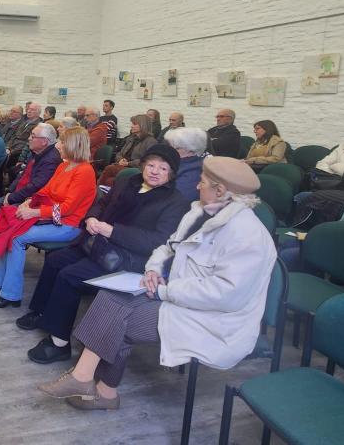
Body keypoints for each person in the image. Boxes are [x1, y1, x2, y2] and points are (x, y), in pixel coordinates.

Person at [37, 157, 275, 411]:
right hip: (179, 295)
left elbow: (225, 295)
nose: (196, 186)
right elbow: (168, 246)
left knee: (119, 320)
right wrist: (153, 270)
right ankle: (88, 382)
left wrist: (164, 290)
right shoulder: (200, 211)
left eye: (202, 182)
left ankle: (98, 388)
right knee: (109, 296)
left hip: (215, 320)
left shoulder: (247, 235)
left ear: (220, 191)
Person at [17, 144, 189, 364]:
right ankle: (42, 313)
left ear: (172, 173)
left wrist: (113, 231)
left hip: (127, 258)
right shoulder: (128, 181)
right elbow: (100, 203)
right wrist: (91, 218)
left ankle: (59, 343)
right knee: (55, 260)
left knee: (69, 276)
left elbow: (155, 242)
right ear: (144, 165)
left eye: (163, 168)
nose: (155, 171)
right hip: (98, 244)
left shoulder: (175, 202)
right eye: (151, 165)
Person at [0, 127, 96, 308]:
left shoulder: (85, 171)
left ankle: (11, 294)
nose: (58, 145)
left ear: (73, 145)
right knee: (6, 227)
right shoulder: (64, 165)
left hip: (68, 225)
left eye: (62, 142)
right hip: (50, 218)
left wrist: (35, 212)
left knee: (17, 237)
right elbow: (46, 190)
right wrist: (29, 201)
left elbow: (66, 209)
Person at [0, 123, 61, 231]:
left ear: (44, 141)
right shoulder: (36, 152)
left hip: (31, 199)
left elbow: (36, 187)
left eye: (33, 136)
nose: (29, 138)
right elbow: (21, 175)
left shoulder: (51, 160)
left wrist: (12, 198)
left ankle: (9, 239)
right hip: (20, 194)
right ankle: (6, 235)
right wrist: (9, 192)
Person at [97, 115, 157, 188]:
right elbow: (119, 153)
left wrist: (128, 163)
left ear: (143, 126)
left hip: (136, 169)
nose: (131, 126)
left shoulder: (150, 141)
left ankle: (97, 190)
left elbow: (147, 160)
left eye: (134, 124)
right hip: (123, 165)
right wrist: (120, 159)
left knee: (109, 168)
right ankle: (102, 190)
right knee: (110, 179)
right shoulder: (131, 138)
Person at [313, 116, 344, 190]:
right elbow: (321, 164)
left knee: (305, 197)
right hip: (335, 187)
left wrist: (335, 166)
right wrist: (340, 178)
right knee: (304, 195)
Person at [163, 127, 208, 201]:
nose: (169, 150)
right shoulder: (178, 162)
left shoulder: (194, 171)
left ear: (191, 150)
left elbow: (177, 199)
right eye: (170, 146)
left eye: (176, 148)